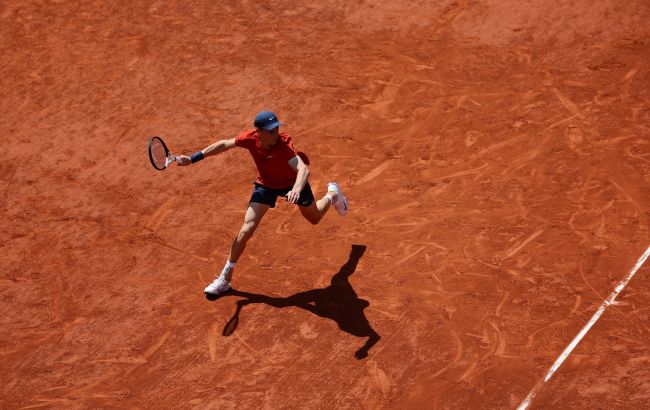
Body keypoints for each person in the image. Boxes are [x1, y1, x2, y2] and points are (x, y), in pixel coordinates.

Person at [177, 111, 349, 296]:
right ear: (258, 132)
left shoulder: (283, 147)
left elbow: (302, 170)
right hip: (266, 185)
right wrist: (193, 158)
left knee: (314, 218)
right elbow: (225, 144)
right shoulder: (250, 138)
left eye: (276, 129)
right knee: (247, 228)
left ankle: (332, 194)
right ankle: (224, 278)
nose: (275, 134)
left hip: (293, 184)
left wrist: (297, 190)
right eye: (271, 131)